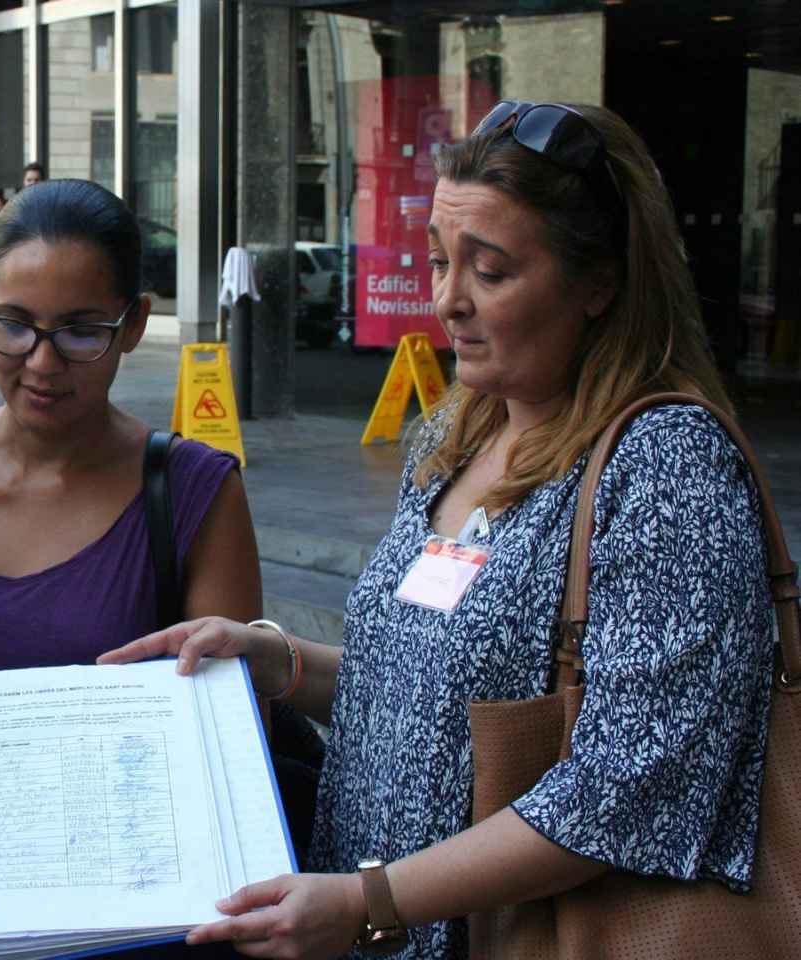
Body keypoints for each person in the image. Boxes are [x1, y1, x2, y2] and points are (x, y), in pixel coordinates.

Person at [100, 102, 775, 960]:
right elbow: (423, 695)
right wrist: (275, 661)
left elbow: (627, 789)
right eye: (437, 262)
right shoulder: (461, 426)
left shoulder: (666, 463)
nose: (447, 300)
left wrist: (369, 900)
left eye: (490, 271)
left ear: (601, 282)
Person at [0, 178, 261, 687]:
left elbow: (231, 741)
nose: (42, 363)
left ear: (134, 323)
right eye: (14, 324)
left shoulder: (196, 494)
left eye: (81, 331)